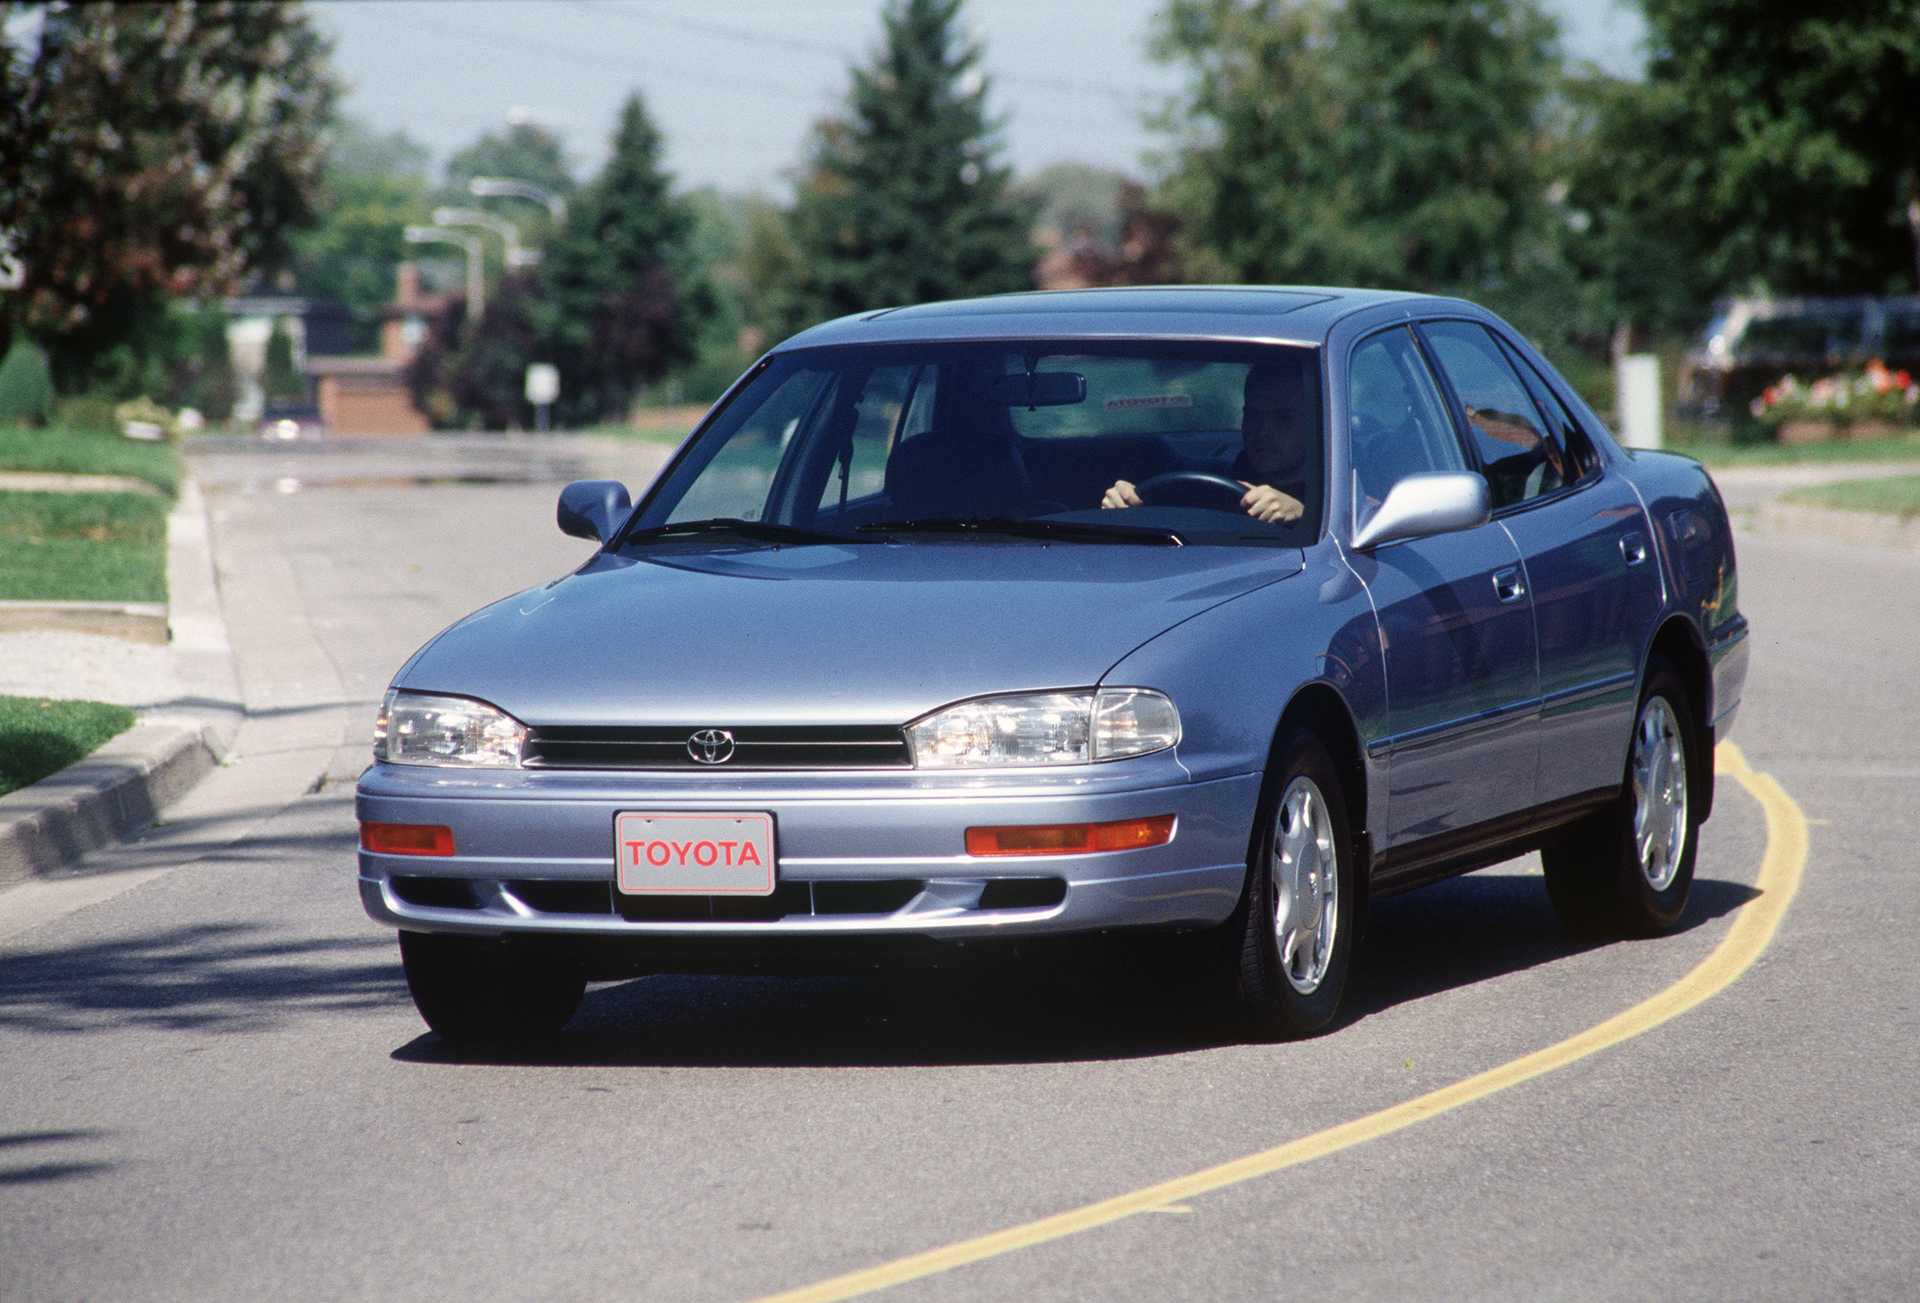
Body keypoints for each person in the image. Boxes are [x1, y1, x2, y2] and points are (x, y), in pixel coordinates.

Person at [1100, 358, 1316, 523]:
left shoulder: (1341, 495)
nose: (1262, 432)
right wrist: (1123, 503)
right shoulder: (1205, 485)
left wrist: (1302, 514)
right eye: (1253, 415)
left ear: (1316, 423)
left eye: (1283, 419)